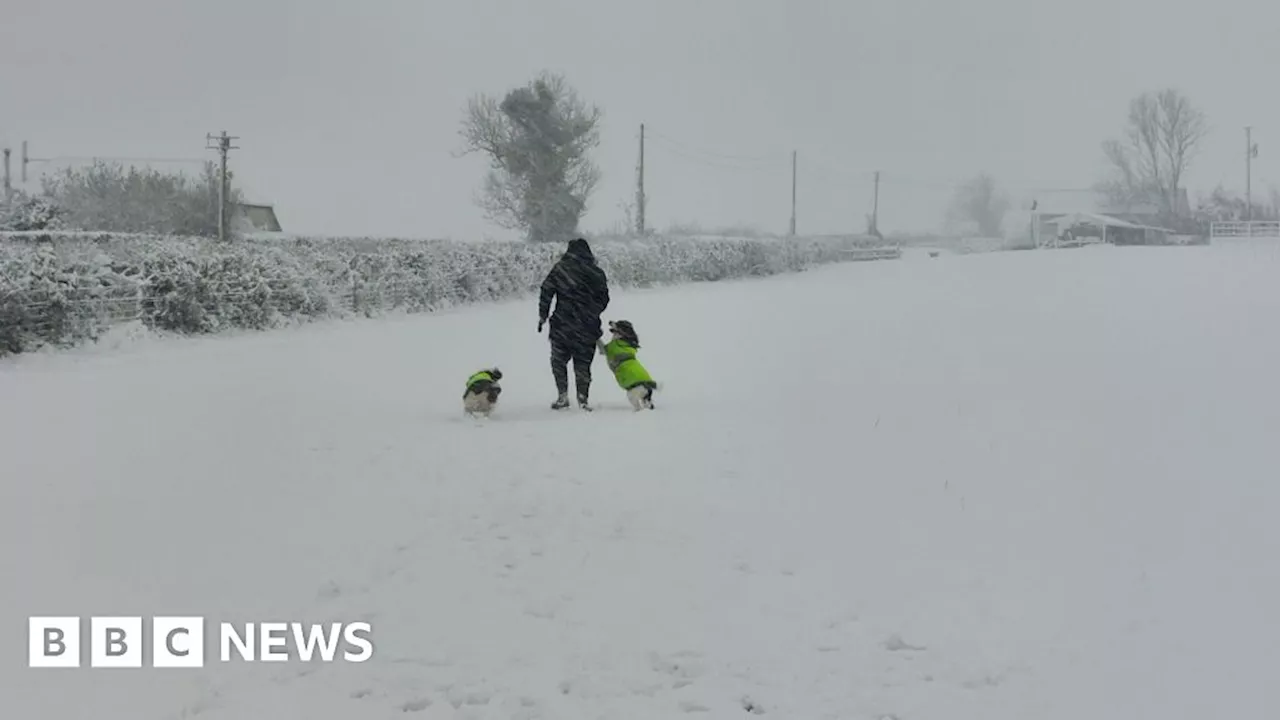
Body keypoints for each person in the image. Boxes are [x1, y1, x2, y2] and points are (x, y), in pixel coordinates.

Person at [538, 237, 610, 410]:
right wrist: (592, 312)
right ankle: (583, 399)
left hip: (562, 325)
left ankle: (562, 396)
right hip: (587, 327)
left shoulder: (560, 269)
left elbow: (546, 291)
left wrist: (543, 315)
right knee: (583, 364)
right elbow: (604, 298)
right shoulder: (595, 272)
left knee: (558, 361)